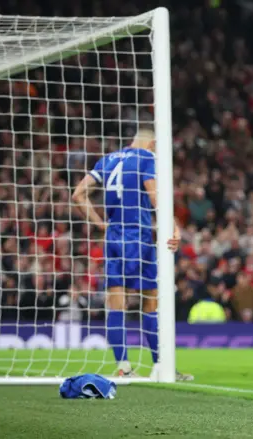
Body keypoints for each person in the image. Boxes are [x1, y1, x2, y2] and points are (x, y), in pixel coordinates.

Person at [72, 128, 193, 381]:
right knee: (151, 300)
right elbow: (154, 195)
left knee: (116, 303)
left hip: (113, 237)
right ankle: (161, 365)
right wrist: (172, 226)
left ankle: (123, 366)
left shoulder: (108, 159)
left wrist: (100, 224)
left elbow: (78, 194)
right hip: (138, 236)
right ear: (153, 143)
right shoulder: (146, 158)